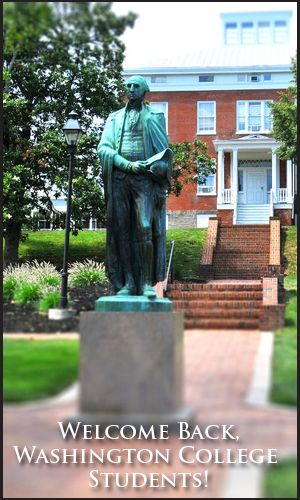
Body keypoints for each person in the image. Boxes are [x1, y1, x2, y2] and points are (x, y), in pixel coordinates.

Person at [97, 75, 173, 298]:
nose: (131, 90)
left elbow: (165, 153)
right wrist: (126, 164)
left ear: (144, 90)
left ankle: (148, 282)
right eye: (128, 86)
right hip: (120, 179)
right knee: (122, 231)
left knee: (145, 226)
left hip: (144, 180)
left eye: (135, 86)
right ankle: (129, 282)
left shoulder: (155, 117)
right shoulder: (114, 118)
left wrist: (158, 167)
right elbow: (104, 148)